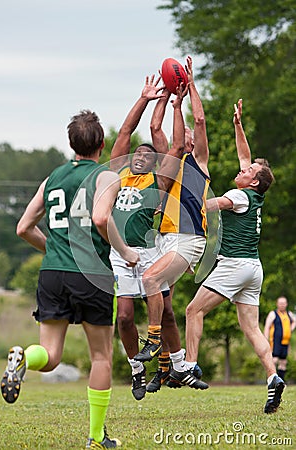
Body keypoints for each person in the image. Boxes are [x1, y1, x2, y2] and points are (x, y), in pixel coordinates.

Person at [0, 110, 139, 449]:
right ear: (101, 145)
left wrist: (55, 249)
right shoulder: (106, 177)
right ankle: (95, 437)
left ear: (71, 144)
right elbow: (101, 217)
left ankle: (22, 357)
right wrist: (125, 252)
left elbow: (23, 227)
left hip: (52, 273)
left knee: (49, 355)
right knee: (102, 357)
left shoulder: (52, 178)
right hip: (90, 274)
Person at [182, 98, 285, 414]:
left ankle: (189, 365)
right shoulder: (254, 194)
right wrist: (238, 125)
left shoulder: (239, 195)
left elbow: (214, 206)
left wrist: (187, 201)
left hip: (235, 265)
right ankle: (273, 378)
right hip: (254, 268)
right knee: (252, 329)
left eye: (250, 169)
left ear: (253, 180)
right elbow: (245, 154)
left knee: (193, 311)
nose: (245, 166)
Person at [109, 75, 188, 400]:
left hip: (150, 253)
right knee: (125, 318)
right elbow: (126, 133)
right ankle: (137, 369)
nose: (140, 154)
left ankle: (173, 361)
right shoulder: (117, 173)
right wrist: (145, 98)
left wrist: (174, 104)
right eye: (136, 153)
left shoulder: (158, 182)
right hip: (120, 254)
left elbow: (179, 146)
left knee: (167, 313)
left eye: (147, 153)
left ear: (155, 162)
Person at [134, 56, 210, 391]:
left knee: (150, 278)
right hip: (165, 239)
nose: (187, 134)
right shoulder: (169, 163)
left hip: (188, 238)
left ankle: (152, 345)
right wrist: (164, 96)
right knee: (164, 307)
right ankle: (172, 369)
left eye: (189, 135)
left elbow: (199, 118)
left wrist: (188, 88)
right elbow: (154, 129)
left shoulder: (199, 161)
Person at [264, 296, 296, 381]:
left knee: (283, 362)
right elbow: (267, 326)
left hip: (285, 342)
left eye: (283, 303)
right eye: (280, 303)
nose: (282, 305)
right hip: (275, 341)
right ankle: (271, 380)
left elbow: (294, 321)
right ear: (277, 304)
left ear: (286, 304)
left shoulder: (289, 314)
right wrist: (265, 340)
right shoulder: (273, 314)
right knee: (274, 360)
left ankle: (281, 381)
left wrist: (290, 329)